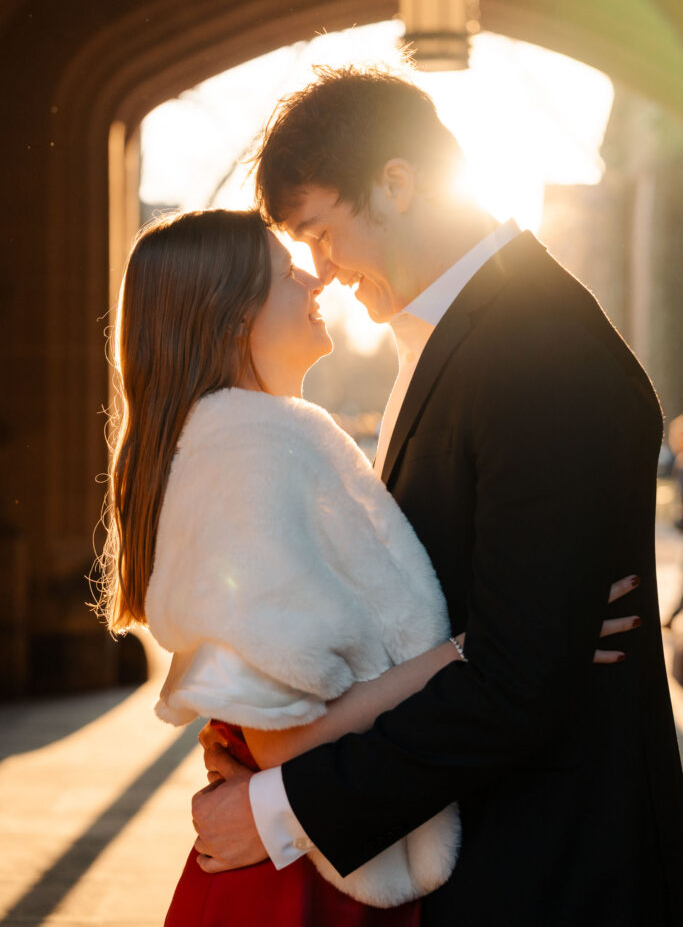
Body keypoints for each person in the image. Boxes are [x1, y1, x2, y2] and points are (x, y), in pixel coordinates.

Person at [191, 69, 683, 926]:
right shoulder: (458, 337)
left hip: (556, 871)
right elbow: (479, 632)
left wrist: (281, 810)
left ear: (396, 183)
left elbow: (517, 684)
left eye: (319, 232)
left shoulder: (539, 351)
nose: (321, 272)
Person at [98, 207, 637, 926]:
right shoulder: (249, 456)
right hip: (300, 886)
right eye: (285, 267)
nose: (313, 273)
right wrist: (491, 648)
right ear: (232, 316)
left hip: (318, 862)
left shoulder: (259, 444)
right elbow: (280, 736)